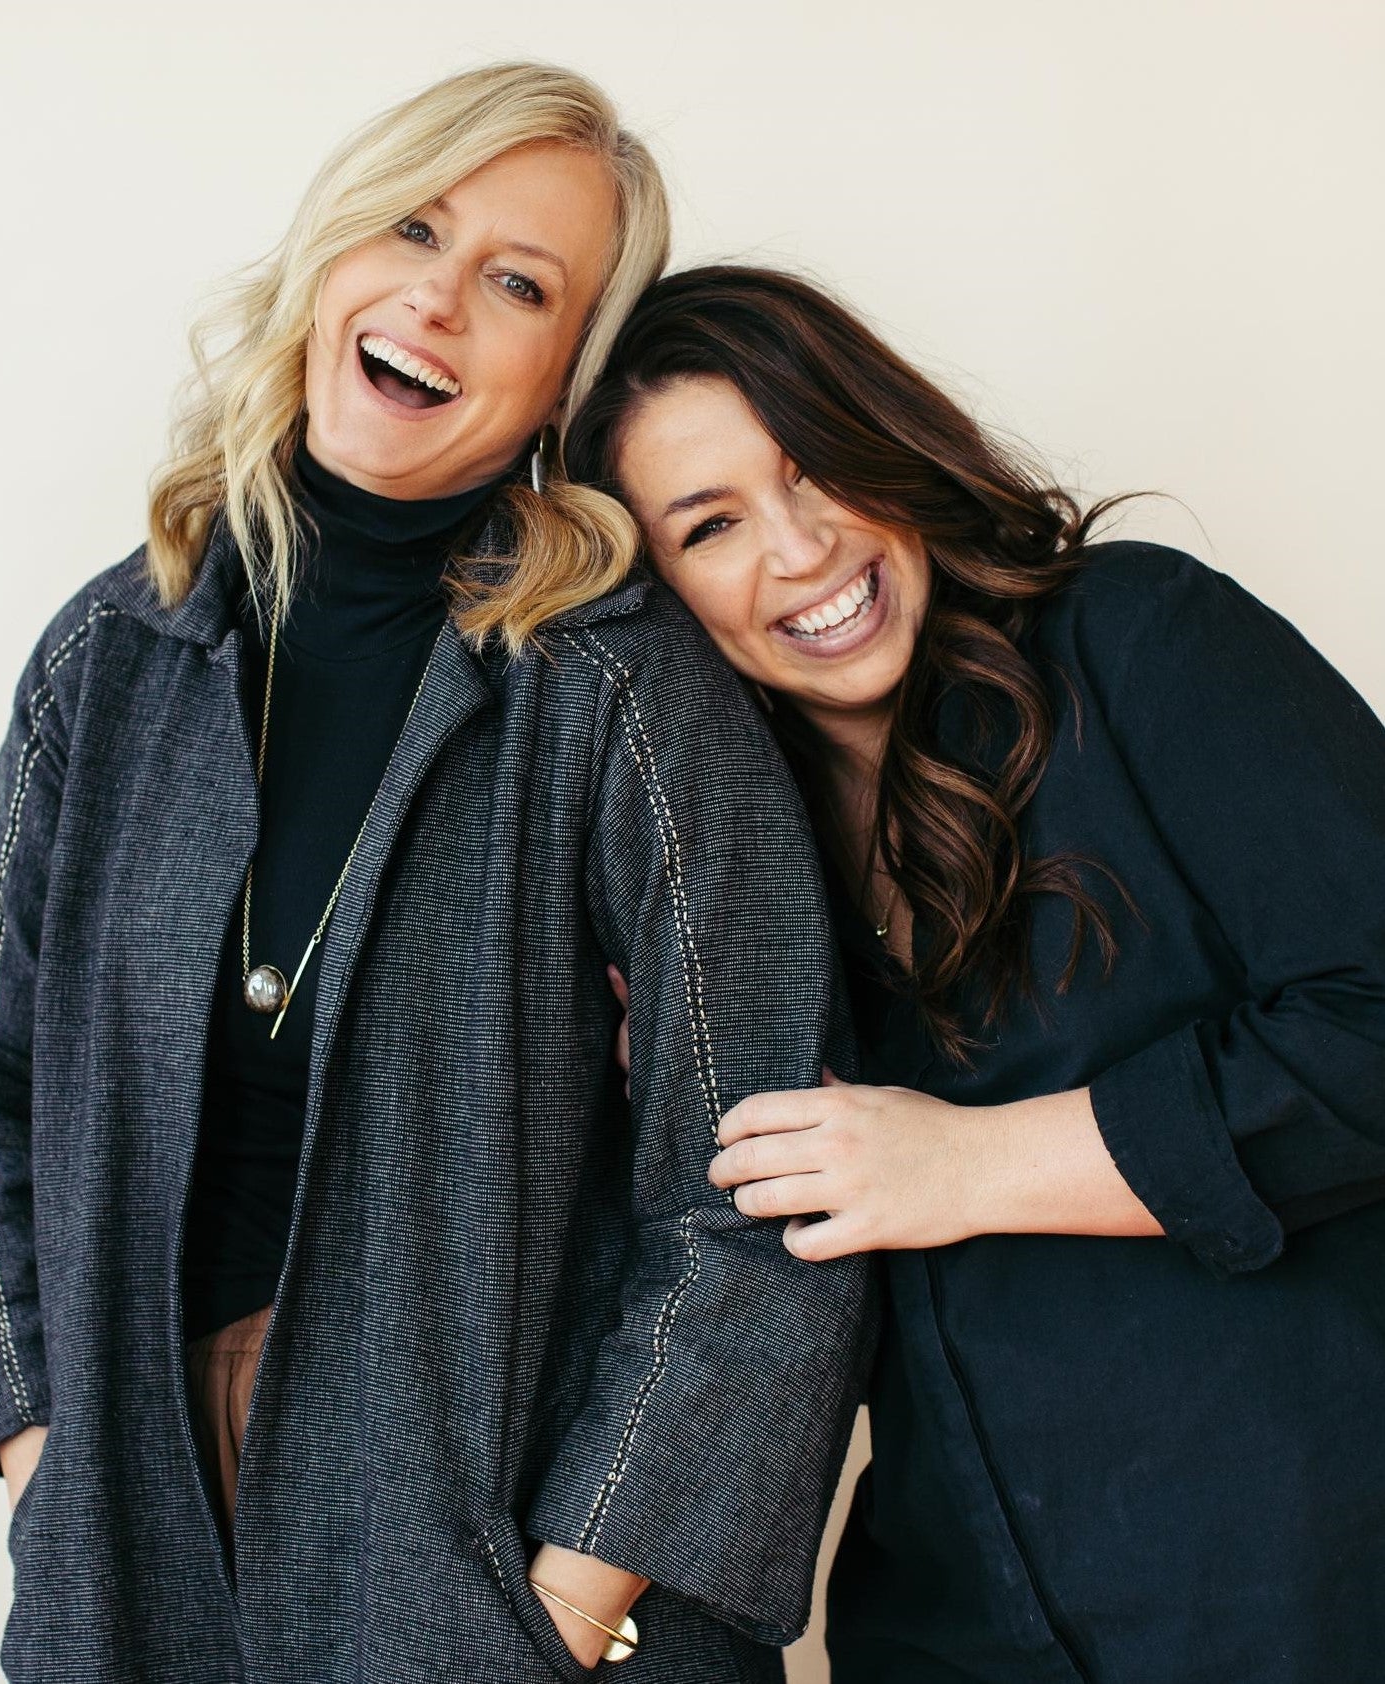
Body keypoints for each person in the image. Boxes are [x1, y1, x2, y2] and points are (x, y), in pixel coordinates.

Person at [0, 82, 874, 1684]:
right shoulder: (117, 652)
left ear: (564, 378)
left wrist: (570, 1603)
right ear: (330, 254)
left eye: (519, 283)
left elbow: (762, 1179)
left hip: (503, 1544)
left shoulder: (619, 686)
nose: (436, 296)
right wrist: (48, 1475)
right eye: (414, 227)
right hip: (145, 1535)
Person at [566, 264, 1385, 1684]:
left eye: (814, 466)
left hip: (1299, 1589)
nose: (801, 548)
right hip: (948, 1615)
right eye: (711, 525)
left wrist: (965, 1164)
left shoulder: (1136, 636)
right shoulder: (722, 861)